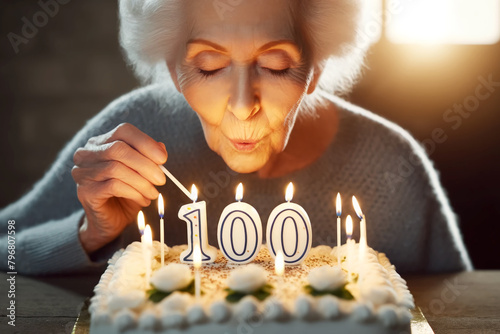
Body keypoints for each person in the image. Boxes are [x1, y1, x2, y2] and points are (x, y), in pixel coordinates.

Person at [0, 0, 472, 275]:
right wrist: (89, 234)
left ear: (316, 69)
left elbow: (461, 307)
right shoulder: (134, 128)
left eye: (275, 66)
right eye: (209, 67)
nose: (244, 103)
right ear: (175, 71)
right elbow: (7, 248)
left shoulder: (392, 162)